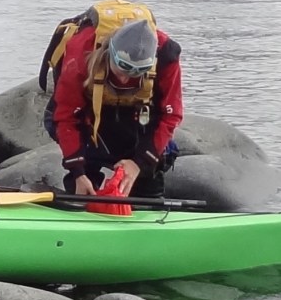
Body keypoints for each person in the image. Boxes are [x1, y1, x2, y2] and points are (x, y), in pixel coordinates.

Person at [48, 12, 183, 198]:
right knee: (82, 174)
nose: (125, 78)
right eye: (122, 67)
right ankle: (82, 183)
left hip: (137, 112)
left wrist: (139, 164)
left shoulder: (167, 55)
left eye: (137, 72)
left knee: (153, 166)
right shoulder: (81, 50)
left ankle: (146, 192)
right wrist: (78, 171)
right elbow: (66, 116)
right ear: (109, 52)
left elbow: (170, 115)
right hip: (90, 110)